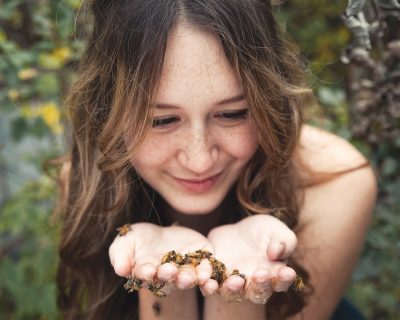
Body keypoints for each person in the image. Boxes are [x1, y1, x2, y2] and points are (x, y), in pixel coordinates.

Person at [56, 1, 377, 319]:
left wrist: (242, 289)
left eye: (232, 114)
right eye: (162, 120)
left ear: (268, 99)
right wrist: (164, 283)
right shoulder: (89, 183)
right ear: (107, 111)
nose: (199, 159)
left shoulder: (335, 180)